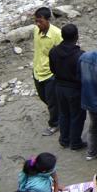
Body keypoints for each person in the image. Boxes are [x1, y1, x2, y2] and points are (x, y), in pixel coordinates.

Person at [49, 22, 86, 150]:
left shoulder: (53, 51)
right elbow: (83, 74)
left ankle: (64, 139)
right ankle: (75, 142)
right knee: (77, 115)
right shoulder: (80, 55)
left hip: (59, 86)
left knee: (64, 114)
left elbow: (52, 69)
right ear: (76, 37)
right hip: (75, 88)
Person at [32, 7, 62, 137]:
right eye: (36, 21)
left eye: (40, 21)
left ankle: (55, 123)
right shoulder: (35, 31)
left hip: (50, 73)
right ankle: (60, 114)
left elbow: (62, 54)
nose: (38, 24)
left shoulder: (57, 34)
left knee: (52, 101)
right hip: (38, 70)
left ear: (48, 20)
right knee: (43, 97)